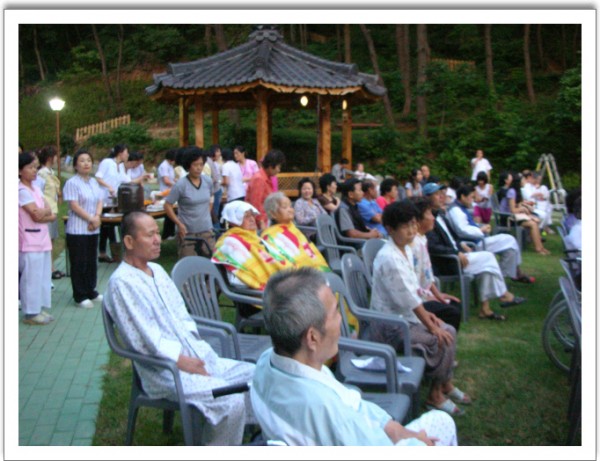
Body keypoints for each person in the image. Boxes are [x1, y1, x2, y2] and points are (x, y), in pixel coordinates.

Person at [253, 267, 458, 446]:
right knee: (442, 422)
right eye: (335, 312)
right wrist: (419, 443)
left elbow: (352, 402)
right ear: (312, 338)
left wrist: (395, 429)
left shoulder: (265, 365)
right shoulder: (331, 414)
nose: (341, 319)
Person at [104, 211, 255, 446]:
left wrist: (199, 351)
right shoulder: (122, 283)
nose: (158, 240)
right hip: (166, 372)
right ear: (129, 242)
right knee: (230, 400)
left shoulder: (158, 271)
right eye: (150, 235)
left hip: (198, 355)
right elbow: (145, 339)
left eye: (157, 233)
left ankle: (244, 437)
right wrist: (183, 362)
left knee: (254, 376)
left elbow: (182, 315)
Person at [370, 201, 470, 416]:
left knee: (446, 329)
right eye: (406, 226)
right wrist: (431, 326)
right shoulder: (390, 258)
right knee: (441, 335)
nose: (412, 230)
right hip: (390, 326)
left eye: (414, 224)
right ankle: (436, 394)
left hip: (405, 317)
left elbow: (414, 292)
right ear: (390, 229)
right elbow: (409, 300)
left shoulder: (405, 249)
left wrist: (430, 316)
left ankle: (442, 386)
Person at [424, 182, 526, 321]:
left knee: (487, 269)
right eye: (437, 194)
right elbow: (432, 246)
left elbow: (452, 237)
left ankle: (485, 309)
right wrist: (456, 252)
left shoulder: (440, 215)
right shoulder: (428, 219)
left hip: (458, 254)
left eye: (441, 194)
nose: (441, 197)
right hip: (448, 261)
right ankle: (504, 294)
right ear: (427, 198)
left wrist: (461, 245)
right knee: (488, 258)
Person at [447, 185, 535, 284]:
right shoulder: (456, 210)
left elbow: (466, 225)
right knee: (510, 240)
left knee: (510, 250)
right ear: (463, 197)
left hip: (477, 239)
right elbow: (462, 230)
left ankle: (502, 277)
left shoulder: (459, 208)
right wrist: (481, 230)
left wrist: (480, 226)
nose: (473, 200)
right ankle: (511, 273)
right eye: (472, 197)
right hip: (473, 244)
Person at [411, 197, 463, 332]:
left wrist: (438, 295)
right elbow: (412, 282)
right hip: (414, 301)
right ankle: (439, 338)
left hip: (421, 295)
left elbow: (426, 274)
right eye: (429, 213)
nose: (433, 218)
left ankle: (444, 338)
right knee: (452, 312)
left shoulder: (422, 239)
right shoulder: (413, 244)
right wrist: (428, 297)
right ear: (418, 219)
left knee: (454, 304)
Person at [212, 201, 288, 290]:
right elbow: (247, 274)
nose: (252, 219)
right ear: (233, 221)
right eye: (246, 216)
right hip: (252, 291)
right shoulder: (230, 242)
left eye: (252, 215)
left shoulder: (254, 238)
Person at [63, 148, 105, 309]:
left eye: (88, 160)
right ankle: (79, 295)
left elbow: (100, 200)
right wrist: (91, 219)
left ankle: (91, 290)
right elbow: (74, 205)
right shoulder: (72, 183)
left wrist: (97, 217)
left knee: (91, 261)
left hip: (93, 228)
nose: (86, 163)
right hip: (78, 229)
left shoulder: (93, 182)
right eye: (82, 161)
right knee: (79, 262)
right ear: (75, 165)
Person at [19, 152, 57, 325]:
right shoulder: (21, 190)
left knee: (42, 276)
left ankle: (39, 308)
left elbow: (50, 211)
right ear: (20, 171)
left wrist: (45, 213)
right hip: (29, 240)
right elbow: (35, 215)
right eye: (30, 167)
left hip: (42, 238)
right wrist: (45, 213)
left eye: (35, 167)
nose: (34, 170)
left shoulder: (35, 188)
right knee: (31, 278)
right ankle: (30, 313)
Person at [164, 147, 215, 259]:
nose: (198, 168)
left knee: (210, 262)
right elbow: (167, 205)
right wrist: (179, 223)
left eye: (201, 164)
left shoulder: (207, 181)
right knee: (189, 263)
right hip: (187, 232)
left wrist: (207, 212)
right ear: (188, 165)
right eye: (195, 165)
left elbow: (211, 197)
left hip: (206, 230)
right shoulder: (180, 185)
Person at [262, 192, 330, 272]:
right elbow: (283, 263)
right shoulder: (269, 236)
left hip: (315, 272)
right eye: (285, 207)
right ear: (273, 214)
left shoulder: (293, 228)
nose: (290, 210)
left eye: (290, 206)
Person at [497, 171, 550, 255]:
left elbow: (516, 205)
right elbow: (513, 210)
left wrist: (523, 206)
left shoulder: (515, 191)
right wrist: (522, 208)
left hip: (514, 216)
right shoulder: (511, 192)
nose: (525, 181)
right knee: (533, 224)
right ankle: (538, 248)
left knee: (535, 221)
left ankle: (541, 247)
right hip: (508, 218)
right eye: (523, 180)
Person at [95, 144, 131, 262]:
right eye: (126, 152)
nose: (127, 155)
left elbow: (127, 180)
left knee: (110, 227)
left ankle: (111, 253)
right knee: (105, 226)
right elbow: (98, 178)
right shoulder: (107, 162)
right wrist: (109, 186)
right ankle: (104, 252)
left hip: (114, 201)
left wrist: (142, 177)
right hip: (103, 200)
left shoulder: (120, 166)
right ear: (120, 153)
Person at [36, 146, 64, 280]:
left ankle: (51, 267)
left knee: (52, 239)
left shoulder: (51, 172)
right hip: (47, 210)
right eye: (56, 156)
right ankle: (47, 268)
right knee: (46, 240)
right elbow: (39, 192)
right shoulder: (42, 173)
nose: (58, 159)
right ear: (50, 158)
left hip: (53, 209)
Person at [245, 149, 285, 230]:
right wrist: (261, 223)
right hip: (259, 224)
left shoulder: (267, 178)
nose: (279, 170)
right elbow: (256, 204)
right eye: (278, 167)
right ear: (271, 166)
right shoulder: (259, 179)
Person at [157, 149, 177, 239]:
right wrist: (176, 185)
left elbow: (172, 178)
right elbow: (166, 180)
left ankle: (171, 232)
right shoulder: (164, 166)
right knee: (169, 212)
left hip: (171, 191)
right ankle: (167, 234)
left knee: (173, 211)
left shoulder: (170, 166)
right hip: (165, 191)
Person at [207, 144, 224, 226]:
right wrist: (216, 180)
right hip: (214, 191)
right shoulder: (208, 162)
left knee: (215, 213)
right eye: (218, 151)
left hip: (216, 190)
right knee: (214, 213)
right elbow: (211, 178)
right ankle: (216, 229)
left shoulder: (212, 162)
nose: (219, 154)